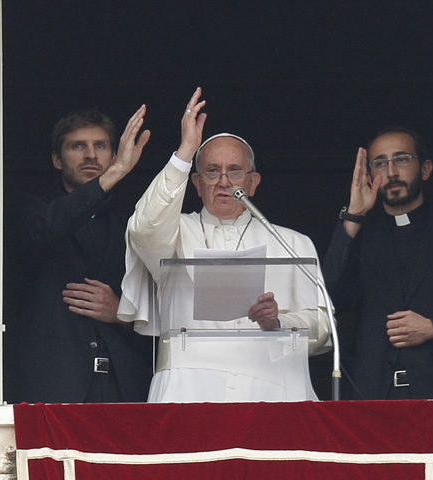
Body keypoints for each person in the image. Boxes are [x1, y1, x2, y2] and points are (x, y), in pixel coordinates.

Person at [118, 88, 331, 403]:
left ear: (253, 183)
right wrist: (184, 153)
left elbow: (322, 327)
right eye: (212, 172)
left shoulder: (292, 243)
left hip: (274, 391)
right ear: (196, 183)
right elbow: (144, 227)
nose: (224, 181)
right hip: (186, 391)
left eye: (234, 171)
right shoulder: (173, 234)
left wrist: (278, 322)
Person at [4, 106, 153, 404]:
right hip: (52, 384)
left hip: (122, 388)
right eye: (78, 146)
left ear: (112, 155)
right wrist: (115, 175)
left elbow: (162, 302)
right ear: (57, 160)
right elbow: (44, 233)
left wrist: (122, 313)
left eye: (101, 146)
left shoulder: (132, 228)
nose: (91, 155)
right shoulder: (29, 211)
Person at [323, 126, 433, 400]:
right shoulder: (359, 238)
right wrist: (354, 215)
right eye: (380, 163)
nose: (391, 172)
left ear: (425, 169)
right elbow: (331, 299)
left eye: (401, 159)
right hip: (371, 399)